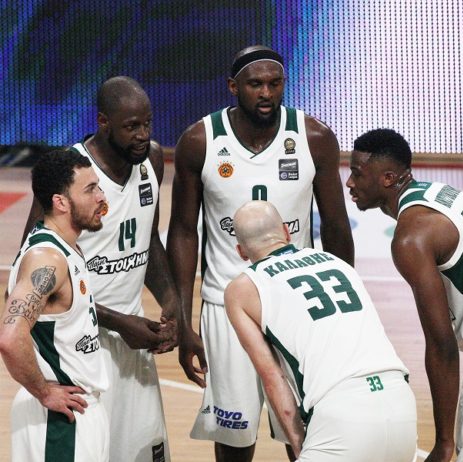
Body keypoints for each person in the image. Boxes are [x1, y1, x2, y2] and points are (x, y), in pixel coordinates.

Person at [166, 45, 354, 461]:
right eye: (255, 84)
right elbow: (181, 231)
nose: (267, 93)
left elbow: (337, 229)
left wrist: (344, 311)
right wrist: (182, 318)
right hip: (225, 305)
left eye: (275, 83)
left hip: (296, 304)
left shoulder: (314, 138)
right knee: (234, 438)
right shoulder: (199, 141)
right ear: (234, 87)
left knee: (305, 434)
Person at [346, 128, 463, 462]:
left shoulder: (411, 237)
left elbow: (441, 345)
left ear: (388, 178)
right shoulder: (439, 192)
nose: (349, 183)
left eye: (357, 174)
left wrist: (443, 441)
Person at [21, 76, 177, 461]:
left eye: (147, 123)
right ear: (103, 122)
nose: (143, 135)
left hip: (134, 337)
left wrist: (172, 303)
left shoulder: (152, 159)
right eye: (131, 127)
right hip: (80, 343)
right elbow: (30, 267)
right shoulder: (69, 174)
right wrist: (119, 322)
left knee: (145, 454)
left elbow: (148, 239)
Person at [223, 200, 417, 461]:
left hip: (342, 412)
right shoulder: (337, 263)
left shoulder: (242, 289)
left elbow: (273, 378)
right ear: (286, 232)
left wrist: (299, 447)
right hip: (400, 403)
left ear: (241, 251)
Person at [0, 150, 109, 461]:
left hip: (76, 411)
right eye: (90, 189)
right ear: (61, 202)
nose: (101, 197)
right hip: (60, 421)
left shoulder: (64, 247)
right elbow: (9, 338)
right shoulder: (47, 259)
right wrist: (44, 391)